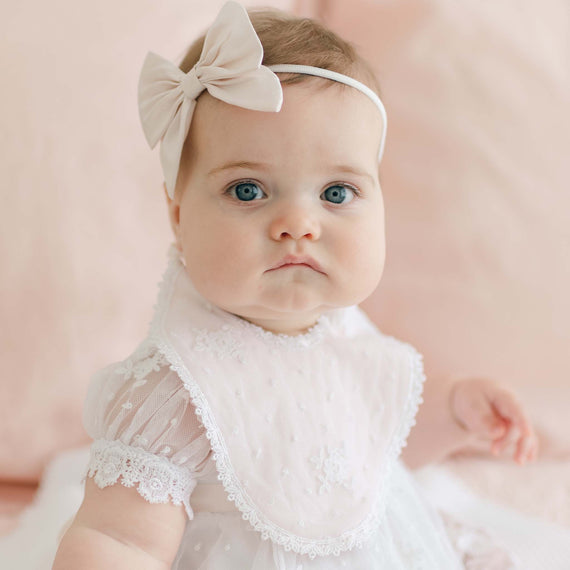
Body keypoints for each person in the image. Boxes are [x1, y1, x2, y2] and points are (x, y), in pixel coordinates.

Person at [52, 2, 537, 568]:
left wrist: (455, 410)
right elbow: (121, 540)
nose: (297, 225)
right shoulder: (181, 385)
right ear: (178, 214)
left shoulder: (342, 327)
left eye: (336, 194)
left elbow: (372, 443)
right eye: (248, 190)